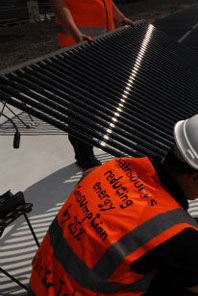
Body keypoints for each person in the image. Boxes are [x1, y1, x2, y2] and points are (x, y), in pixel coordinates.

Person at [24, 112, 198, 296]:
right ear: (195, 177)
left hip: (42, 293)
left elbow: (140, 239)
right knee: (187, 262)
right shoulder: (174, 234)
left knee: (195, 234)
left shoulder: (107, 169)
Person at [49, 0, 135, 170]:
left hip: (103, 45)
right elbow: (58, 4)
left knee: (111, 96)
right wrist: (75, 33)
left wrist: (120, 17)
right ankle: (84, 156)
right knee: (82, 104)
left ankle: (133, 141)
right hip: (79, 48)